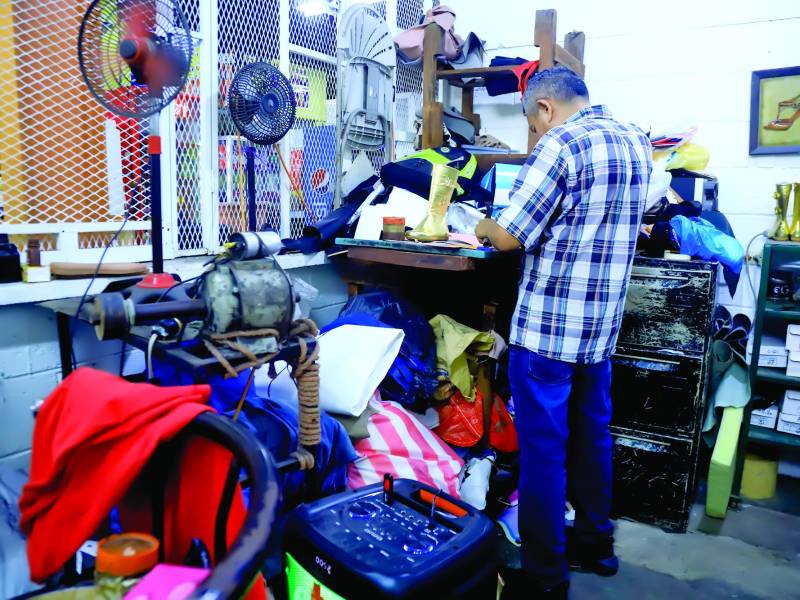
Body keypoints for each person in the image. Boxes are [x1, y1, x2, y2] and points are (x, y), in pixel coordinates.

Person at [475, 67, 652, 599]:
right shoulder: (635, 141)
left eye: (532, 122)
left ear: (545, 108)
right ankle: (598, 548)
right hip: (599, 331)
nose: (535, 132)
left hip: (549, 332)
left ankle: (546, 578)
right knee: (594, 436)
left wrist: (481, 223)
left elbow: (508, 238)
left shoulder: (561, 143)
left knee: (544, 453)